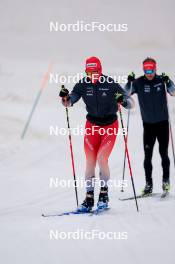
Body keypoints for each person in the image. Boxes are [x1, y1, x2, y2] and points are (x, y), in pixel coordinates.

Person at [59, 56, 134, 212]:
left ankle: (104, 195)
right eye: (89, 72)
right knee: (90, 161)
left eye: (95, 72)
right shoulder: (82, 84)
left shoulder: (110, 83)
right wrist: (65, 98)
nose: (92, 75)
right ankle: (89, 198)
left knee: (102, 158)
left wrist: (123, 100)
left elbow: (131, 103)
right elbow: (70, 101)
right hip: (92, 126)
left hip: (109, 126)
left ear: (100, 71)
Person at [125, 57, 175, 195]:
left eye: (151, 69)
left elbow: (173, 92)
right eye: (146, 70)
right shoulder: (139, 82)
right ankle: (149, 185)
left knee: (163, 153)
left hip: (163, 123)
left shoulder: (161, 80)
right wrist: (129, 82)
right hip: (148, 125)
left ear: (155, 68)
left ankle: (166, 181)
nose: (149, 73)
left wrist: (168, 81)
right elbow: (126, 94)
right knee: (148, 156)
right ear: (143, 69)